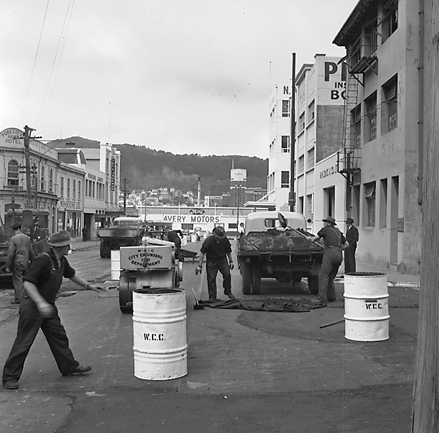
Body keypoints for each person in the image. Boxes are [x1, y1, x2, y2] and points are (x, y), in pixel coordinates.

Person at [2, 230, 108, 390]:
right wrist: (40, 303)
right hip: (32, 305)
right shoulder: (43, 261)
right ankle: (9, 377)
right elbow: (28, 283)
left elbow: (71, 275)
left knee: (59, 336)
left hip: (48, 304)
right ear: (59, 247)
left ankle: (69, 367)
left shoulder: (61, 261)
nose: (69, 246)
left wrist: (89, 286)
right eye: (67, 245)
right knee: (24, 341)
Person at [307, 217, 348, 304]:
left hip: (330, 254)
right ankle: (332, 297)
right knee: (330, 277)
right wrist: (339, 249)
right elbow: (347, 244)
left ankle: (321, 298)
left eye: (325, 222)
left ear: (327, 223)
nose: (324, 223)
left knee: (323, 276)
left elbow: (315, 239)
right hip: (339, 255)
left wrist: (310, 239)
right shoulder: (338, 232)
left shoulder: (325, 230)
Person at [197, 226, 235, 301]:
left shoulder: (225, 240)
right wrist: (199, 265)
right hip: (211, 261)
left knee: (227, 274)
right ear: (215, 235)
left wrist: (231, 261)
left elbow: (228, 251)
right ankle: (212, 296)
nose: (220, 239)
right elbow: (202, 253)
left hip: (222, 260)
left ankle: (228, 291)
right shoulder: (208, 241)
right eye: (218, 237)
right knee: (211, 279)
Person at [6, 223, 34, 305]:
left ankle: (18, 299)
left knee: (18, 280)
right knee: (26, 279)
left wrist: (8, 265)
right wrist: (32, 261)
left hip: (17, 261)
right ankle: (27, 296)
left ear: (13, 230)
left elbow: (11, 254)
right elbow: (31, 252)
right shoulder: (27, 238)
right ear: (20, 228)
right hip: (26, 261)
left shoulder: (13, 239)